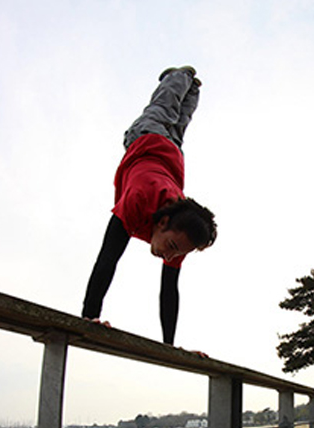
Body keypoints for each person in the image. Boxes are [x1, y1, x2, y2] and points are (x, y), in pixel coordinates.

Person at [81, 66, 217, 345]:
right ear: (163, 223)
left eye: (175, 252)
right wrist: (88, 318)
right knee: (165, 106)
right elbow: (107, 258)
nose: (169, 257)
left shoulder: (181, 235)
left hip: (171, 156)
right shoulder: (137, 203)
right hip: (146, 135)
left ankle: (193, 90)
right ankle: (179, 76)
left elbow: (170, 289)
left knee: (181, 121)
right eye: (171, 249)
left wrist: (169, 346)